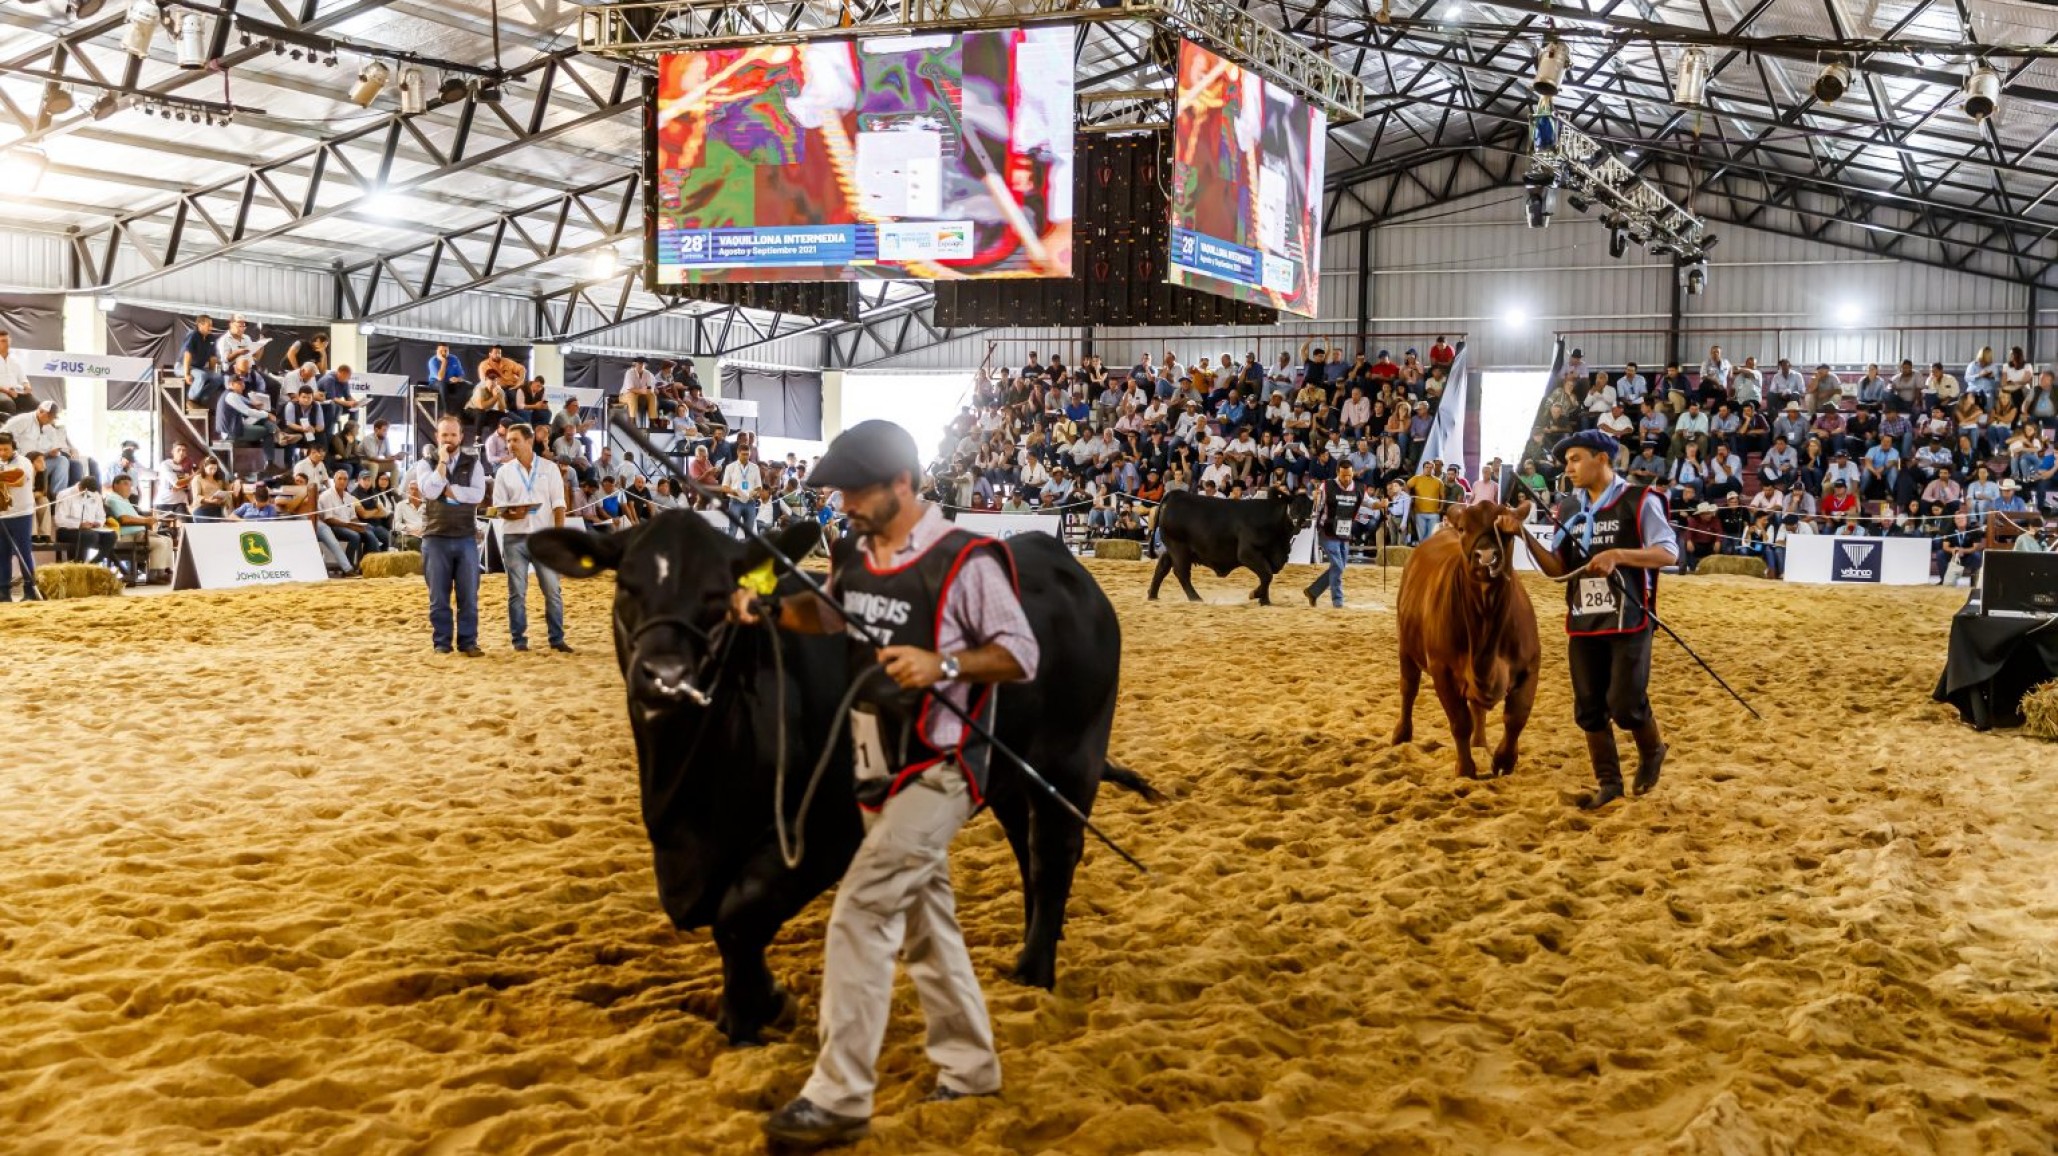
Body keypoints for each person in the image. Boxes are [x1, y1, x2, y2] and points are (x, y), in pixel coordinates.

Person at [731, 419, 1034, 1150]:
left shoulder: (965, 561)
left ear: (903, 483)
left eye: (857, 490)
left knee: (860, 912)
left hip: (942, 766)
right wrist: (770, 608)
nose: (845, 503)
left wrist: (944, 666)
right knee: (928, 923)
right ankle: (970, 1066)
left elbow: (1020, 653)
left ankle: (838, 1097)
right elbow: (832, 613)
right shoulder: (859, 555)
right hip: (875, 763)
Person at [1498, 429, 1678, 810]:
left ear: (1602, 459)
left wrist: (1618, 555)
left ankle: (1652, 750)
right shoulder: (1567, 509)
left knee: (1626, 703)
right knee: (1589, 706)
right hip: (1584, 618)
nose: (1570, 468)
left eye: (1576, 458)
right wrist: (1523, 536)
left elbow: (1668, 553)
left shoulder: (1639, 500)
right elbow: (1557, 568)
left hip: (1629, 617)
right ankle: (1609, 783)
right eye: (1566, 462)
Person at [491, 423, 572, 653]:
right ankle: (519, 641)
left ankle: (556, 639)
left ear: (529, 441)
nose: (510, 445)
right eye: (507, 441)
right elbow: (498, 508)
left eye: (514, 440)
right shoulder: (504, 472)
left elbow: (559, 505)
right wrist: (511, 512)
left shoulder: (549, 468)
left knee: (553, 591)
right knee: (517, 592)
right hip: (513, 537)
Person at [411, 415, 488, 655]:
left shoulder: (474, 463)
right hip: (435, 536)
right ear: (437, 437)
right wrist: (442, 464)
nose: (449, 439)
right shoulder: (425, 463)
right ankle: (442, 643)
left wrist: (451, 491)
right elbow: (430, 491)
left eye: (453, 434)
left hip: (465, 536)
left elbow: (478, 495)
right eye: (444, 435)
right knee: (438, 598)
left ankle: (468, 642)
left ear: (461, 437)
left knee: (469, 595)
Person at [1303, 460, 1363, 608]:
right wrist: (1315, 497)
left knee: (1339, 566)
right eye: (1344, 475)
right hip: (1327, 531)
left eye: (1349, 475)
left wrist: (1381, 504)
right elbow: (1317, 503)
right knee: (1337, 565)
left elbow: (1369, 502)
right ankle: (1338, 601)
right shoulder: (1327, 485)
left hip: (1344, 533)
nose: (1347, 478)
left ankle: (1313, 591)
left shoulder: (1359, 488)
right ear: (1337, 473)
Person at [0, 431, 36, 600]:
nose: (2, 453)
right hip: (2, 515)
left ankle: (30, 590)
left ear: (13, 447)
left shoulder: (24, 462)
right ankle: (3, 591)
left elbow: (20, 481)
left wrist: (1, 480)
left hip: (22, 514)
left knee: (24, 551)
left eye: (5, 449)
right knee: (2, 553)